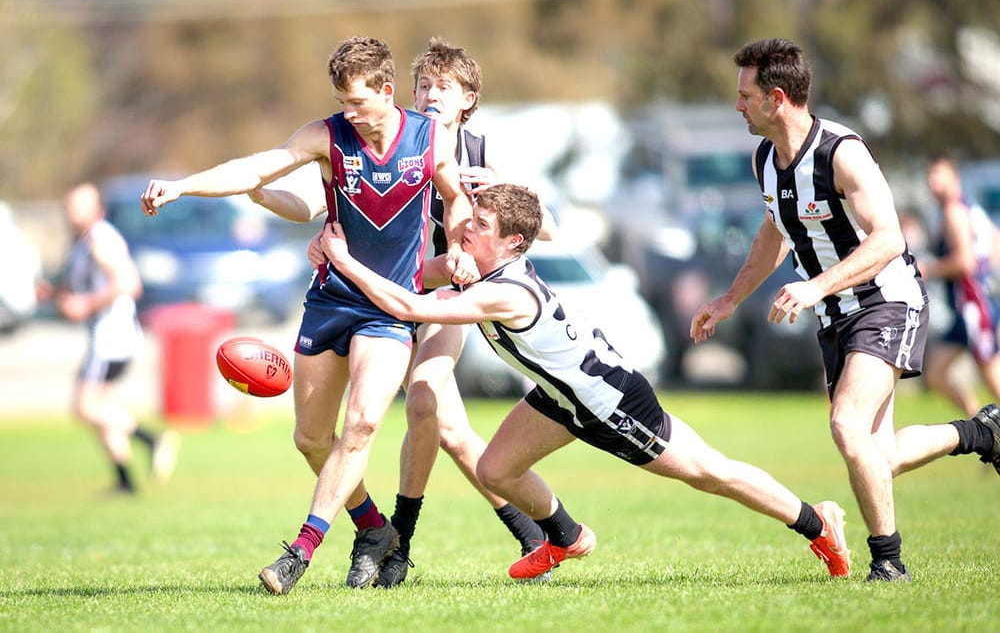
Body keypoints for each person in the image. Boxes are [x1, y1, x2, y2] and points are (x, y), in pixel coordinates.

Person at [320, 182, 853, 583]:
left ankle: (816, 523)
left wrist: (344, 259)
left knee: (706, 472)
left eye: (480, 225)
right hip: (561, 398)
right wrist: (337, 255)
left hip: (610, 399)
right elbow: (412, 274)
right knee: (496, 469)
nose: (465, 229)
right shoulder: (480, 271)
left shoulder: (506, 291)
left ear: (513, 243)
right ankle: (568, 538)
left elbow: (411, 303)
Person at [140, 36, 479, 594]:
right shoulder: (327, 136)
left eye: (357, 102)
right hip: (331, 300)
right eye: (341, 101)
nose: (348, 113)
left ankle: (300, 550)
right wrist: (182, 187)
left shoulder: (429, 138)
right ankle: (374, 529)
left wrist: (461, 241)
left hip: (390, 310)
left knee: (364, 422)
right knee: (311, 439)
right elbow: (257, 167)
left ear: (387, 92)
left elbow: (456, 197)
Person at [688, 38, 1000, 582]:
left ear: (776, 97)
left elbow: (887, 238)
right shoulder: (767, 158)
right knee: (880, 456)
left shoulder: (841, 151)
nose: (737, 105)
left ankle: (889, 563)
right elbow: (774, 231)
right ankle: (981, 434)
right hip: (838, 314)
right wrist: (729, 299)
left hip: (887, 301)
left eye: (745, 95)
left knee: (846, 427)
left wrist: (814, 287)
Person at [50, 183, 179, 494]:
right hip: (111, 336)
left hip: (111, 338)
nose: (71, 212)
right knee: (100, 408)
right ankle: (125, 481)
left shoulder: (98, 240)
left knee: (85, 408)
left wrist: (85, 304)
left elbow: (128, 283)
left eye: (78, 206)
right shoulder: (88, 240)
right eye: (69, 206)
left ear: (97, 209)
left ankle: (152, 439)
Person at [920, 153, 1000, 417]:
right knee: (935, 373)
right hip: (970, 305)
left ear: (954, 178)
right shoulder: (970, 208)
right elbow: (994, 244)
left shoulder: (954, 211)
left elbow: (965, 262)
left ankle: (989, 429)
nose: (932, 183)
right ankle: (987, 427)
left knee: (990, 374)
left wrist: (928, 268)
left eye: (938, 176)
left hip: (973, 305)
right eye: (929, 177)